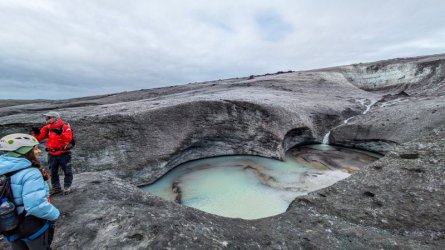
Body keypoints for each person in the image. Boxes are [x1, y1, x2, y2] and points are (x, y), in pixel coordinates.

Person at [0, 133, 60, 249]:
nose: (39, 151)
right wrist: (55, 214)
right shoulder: (31, 173)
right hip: (30, 224)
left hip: (9, 222)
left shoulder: (3, 168)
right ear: (24, 152)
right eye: (35, 149)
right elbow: (35, 206)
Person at [32, 111, 73, 195]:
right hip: (52, 154)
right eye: (47, 117)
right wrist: (36, 134)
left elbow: (68, 139)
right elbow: (38, 139)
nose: (46, 119)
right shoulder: (47, 128)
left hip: (64, 154)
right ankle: (56, 188)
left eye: (49, 117)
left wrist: (60, 134)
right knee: (53, 172)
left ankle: (67, 187)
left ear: (56, 118)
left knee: (67, 171)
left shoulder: (65, 127)